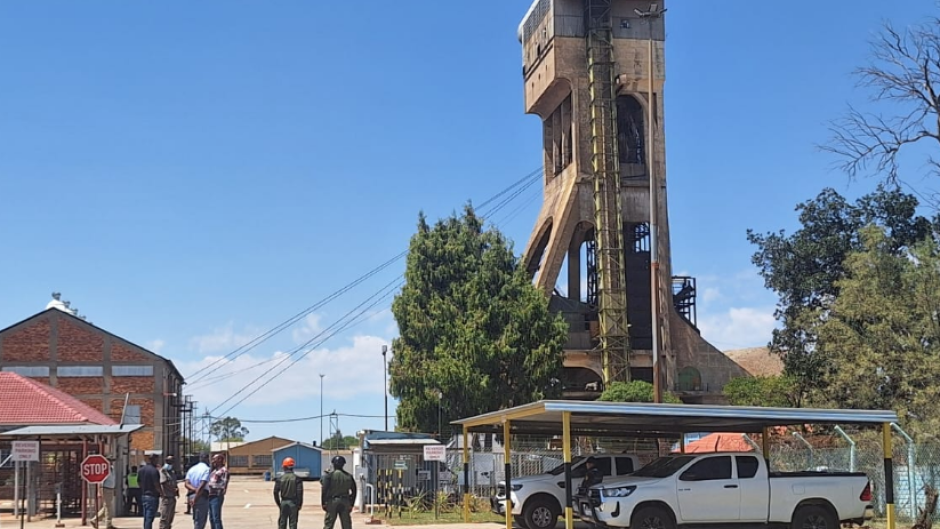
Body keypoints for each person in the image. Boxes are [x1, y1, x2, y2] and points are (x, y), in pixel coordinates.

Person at [321, 455, 356, 529]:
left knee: (329, 524)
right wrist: (351, 503)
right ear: (343, 464)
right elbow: (354, 490)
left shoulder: (329, 476)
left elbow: (324, 490)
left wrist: (323, 503)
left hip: (332, 502)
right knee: (346, 525)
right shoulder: (349, 476)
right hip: (345, 501)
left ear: (333, 464)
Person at [273, 457, 303, 529]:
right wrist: (299, 504)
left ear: (284, 467)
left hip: (283, 502)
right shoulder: (297, 479)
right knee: (293, 523)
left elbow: (275, 492)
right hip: (293, 503)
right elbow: (300, 493)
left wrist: (279, 504)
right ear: (292, 467)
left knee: (282, 522)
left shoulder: (280, 478)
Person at [185, 453, 211, 529]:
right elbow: (202, 485)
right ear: (206, 459)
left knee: (196, 518)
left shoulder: (192, 469)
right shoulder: (206, 469)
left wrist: (194, 489)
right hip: (200, 496)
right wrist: (196, 497)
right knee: (200, 520)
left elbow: (186, 484)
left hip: (191, 495)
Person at [139, 454, 163, 529]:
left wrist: (143, 488)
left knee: (146, 516)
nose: (157, 461)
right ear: (153, 460)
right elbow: (156, 484)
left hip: (144, 495)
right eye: (157, 459)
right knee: (150, 517)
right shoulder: (154, 471)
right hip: (152, 496)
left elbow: (139, 482)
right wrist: (162, 493)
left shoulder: (141, 470)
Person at [207, 454, 229, 529]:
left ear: (220, 460)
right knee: (211, 517)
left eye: (214, 459)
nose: (213, 460)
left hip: (216, 496)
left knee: (216, 518)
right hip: (210, 495)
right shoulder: (213, 470)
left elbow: (223, 484)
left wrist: (211, 486)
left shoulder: (223, 470)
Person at [94, 459, 116, 529]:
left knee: (106, 507)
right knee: (108, 507)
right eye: (110, 460)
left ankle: (94, 520)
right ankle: (108, 524)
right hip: (106, 489)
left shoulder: (112, 468)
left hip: (111, 489)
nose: (111, 462)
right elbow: (100, 481)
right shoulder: (104, 469)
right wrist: (99, 491)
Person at [160, 455, 180, 529]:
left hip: (172, 497)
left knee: (170, 518)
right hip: (166, 498)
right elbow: (164, 483)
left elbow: (175, 483)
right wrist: (173, 490)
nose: (170, 463)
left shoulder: (172, 472)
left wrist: (177, 490)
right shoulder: (163, 471)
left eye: (172, 462)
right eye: (169, 461)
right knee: (164, 518)